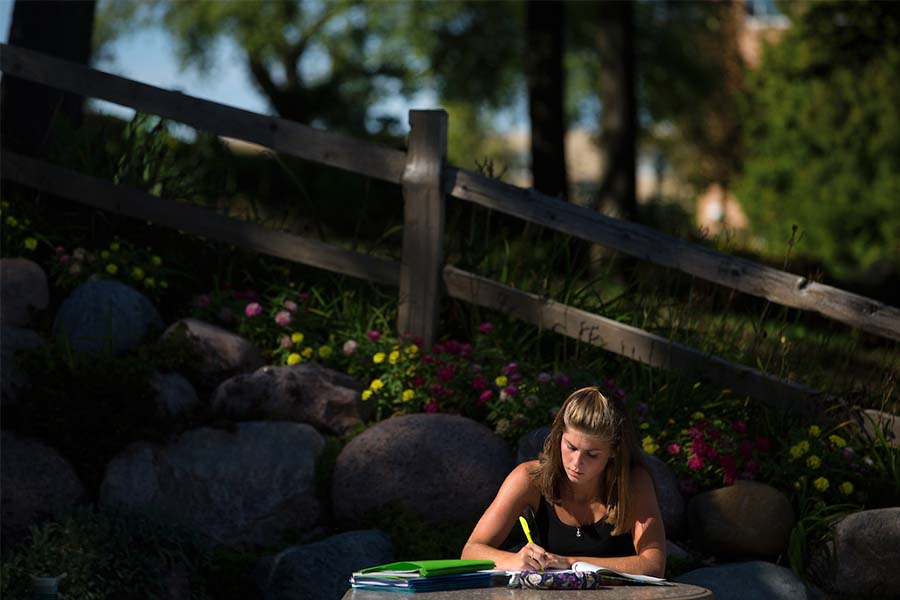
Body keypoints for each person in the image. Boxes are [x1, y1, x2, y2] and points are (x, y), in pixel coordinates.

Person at [461, 386, 666, 576]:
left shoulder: (632, 481)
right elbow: (471, 551)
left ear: (614, 451)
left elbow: (654, 564)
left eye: (592, 454)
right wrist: (513, 560)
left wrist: (571, 563)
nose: (577, 462)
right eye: (571, 447)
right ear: (559, 436)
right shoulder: (530, 478)